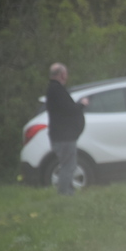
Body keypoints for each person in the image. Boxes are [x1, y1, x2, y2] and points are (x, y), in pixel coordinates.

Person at [45, 63, 87, 196]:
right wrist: (81, 104)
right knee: (68, 166)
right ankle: (65, 194)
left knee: (67, 165)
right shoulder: (57, 90)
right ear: (62, 75)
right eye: (66, 73)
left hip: (60, 136)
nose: (67, 76)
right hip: (64, 137)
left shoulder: (53, 90)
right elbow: (69, 109)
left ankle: (68, 191)